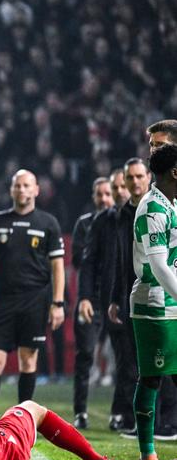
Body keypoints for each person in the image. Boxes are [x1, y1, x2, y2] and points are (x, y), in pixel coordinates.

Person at [0, 170, 65, 432]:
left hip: (35, 301)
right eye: (17, 185)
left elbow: (58, 267)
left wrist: (57, 304)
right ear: (11, 190)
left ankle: (22, 423)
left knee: (28, 361)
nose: (21, 190)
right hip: (3, 301)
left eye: (26, 185)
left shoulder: (48, 223)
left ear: (36, 190)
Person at [127, 143, 177, 460]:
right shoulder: (153, 209)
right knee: (152, 377)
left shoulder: (171, 204)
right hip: (154, 304)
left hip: (170, 302)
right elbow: (159, 266)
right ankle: (147, 457)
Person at [70, 176, 118, 429]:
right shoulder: (85, 224)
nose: (103, 198)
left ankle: (120, 414)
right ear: (93, 196)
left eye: (107, 194)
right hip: (90, 299)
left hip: (117, 298)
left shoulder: (120, 221)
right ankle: (80, 412)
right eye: (99, 194)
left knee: (124, 357)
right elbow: (79, 261)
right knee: (85, 354)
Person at [108, 159, 151, 434]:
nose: (134, 183)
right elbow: (121, 261)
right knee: (134, 363)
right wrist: (115, 298)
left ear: (148, 177)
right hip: (130, 297)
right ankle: (143, 422)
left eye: (139, 177)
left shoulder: (158, 208)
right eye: (129, 179)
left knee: (157, 363)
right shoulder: (123, 214)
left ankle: (165, 422)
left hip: (158, 294)